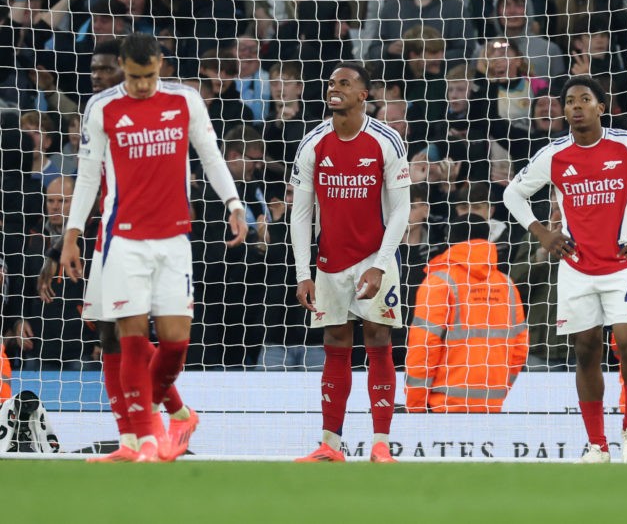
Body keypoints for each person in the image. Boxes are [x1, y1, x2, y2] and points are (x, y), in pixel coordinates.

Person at [59, 32, 248, 462]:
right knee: (124, 335)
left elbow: (211, 154)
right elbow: (88, 176)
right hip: (121, 238)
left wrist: (233, 203)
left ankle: (170, 415)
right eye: (133, 76)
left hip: (174, 238)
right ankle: (142, 440)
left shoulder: (185, 101)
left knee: (175, 342)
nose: (142, 85)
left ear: (161, 64)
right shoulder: (103, 108)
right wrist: (71, 234)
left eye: (148, 76)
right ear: (123, 67)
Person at [502, 75, 627, 463]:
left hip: (621, 265)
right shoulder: (553, 154)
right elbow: (512, 193)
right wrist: (542, 233)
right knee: (586, 351)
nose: (575, 107)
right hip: (575, 269)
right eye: (569, 101)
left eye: (584, 99)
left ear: (601, 108)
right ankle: (597, 445)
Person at [289, 62, 410, 463]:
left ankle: (380, 444)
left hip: (376, 257)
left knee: (379, 340)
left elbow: (401, 209)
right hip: (329, 262)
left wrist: (380, 263)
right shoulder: (312, 144)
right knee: (334, 344)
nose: (334, 88)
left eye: (344, 83)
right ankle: (330, 444)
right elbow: (301, 213)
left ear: (363, 95)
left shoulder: (386, 141)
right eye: (330, 83)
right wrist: (303, 273)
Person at [405, 214, 528, 412]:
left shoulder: (439, 282)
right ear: (489, 240)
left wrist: (415, 405)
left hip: (442, 405)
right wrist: (500, 389)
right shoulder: (506, 284)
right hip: (491, 403)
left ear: (450, 241)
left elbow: (424, 346)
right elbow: (520, 348)